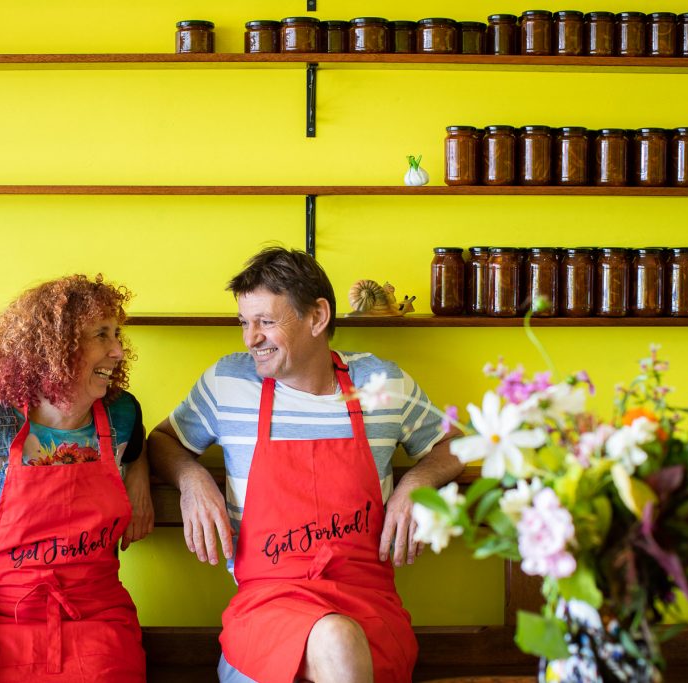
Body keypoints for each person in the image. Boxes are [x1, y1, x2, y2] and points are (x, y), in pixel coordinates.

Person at [149, 247, 464, 683]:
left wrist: (416, 484)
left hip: (369, 608)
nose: (250, 338)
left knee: (338, 637)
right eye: (244, 322)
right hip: (265, 610)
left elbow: (454, 445)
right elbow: (163, 440)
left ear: (318, 316)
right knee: (334, 638)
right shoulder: (227, 382)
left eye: (266, 321)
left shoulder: (381, 384)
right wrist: (191, 479)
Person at [0, 274, 152, 683]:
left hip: (96, 619)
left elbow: (138, 452)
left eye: (117, 334)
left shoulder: (123, 417)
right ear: (55, 348)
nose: (118, 351)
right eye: (102, 334)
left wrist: (140, 476)